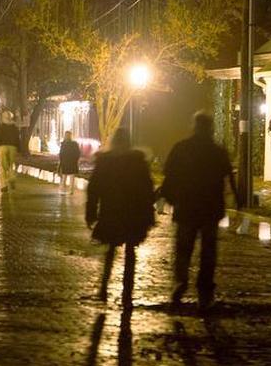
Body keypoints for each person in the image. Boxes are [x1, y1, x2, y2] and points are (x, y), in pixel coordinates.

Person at [159, 111, 240, 310]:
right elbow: (228, 176)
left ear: (194, 126)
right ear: (210, 128)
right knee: (208, 250)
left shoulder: (182, 148)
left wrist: (169, 196)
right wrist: (237, 199)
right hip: (210, 208)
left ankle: (181, 281)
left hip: (186, 206)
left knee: (183, 248)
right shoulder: (217, 151)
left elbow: (170, 175)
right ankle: (205, 288)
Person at [86, 129, 155, 304]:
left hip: (112, 212)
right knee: (130, 253)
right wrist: (148, 215)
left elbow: (94, 189)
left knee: (110, 251)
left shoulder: (105, 161)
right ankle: (127, 292)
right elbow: (146, 190)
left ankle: (103, 287)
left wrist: (91, 213)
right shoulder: (138, 162)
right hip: (133, 214)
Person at [0, 111, 20, 192]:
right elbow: (17, 138)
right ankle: (12, 178)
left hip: (3, 147)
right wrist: (18, 148)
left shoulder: (1, 126)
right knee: (11, 165)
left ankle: (4, 185)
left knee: (3, 167)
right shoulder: (14, 127)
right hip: (13, 147)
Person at [57, 130, 81, 195]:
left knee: (65, 176)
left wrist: (61, 162)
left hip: (67, 162)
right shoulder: (73, 144)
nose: (66, 136)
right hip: (71, 162)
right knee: (70, 176)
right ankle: (69, 190)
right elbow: (78, 153)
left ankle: (63, 189)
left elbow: (61, 153)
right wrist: (76, 160)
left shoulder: (64, 144)